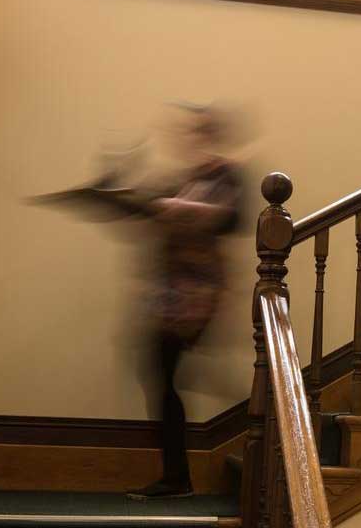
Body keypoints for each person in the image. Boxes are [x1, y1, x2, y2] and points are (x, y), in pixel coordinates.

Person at [126, 104, 243, 499]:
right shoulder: (188, 179)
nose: (186, 138)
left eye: (194, 131)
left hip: (195, 291)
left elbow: (232, 219)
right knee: (159, 373)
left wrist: (177, 208)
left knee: (162, 371)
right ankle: (176, 476)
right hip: (171, 289)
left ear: (208, 134)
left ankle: (177, 478)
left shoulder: (224, 173)